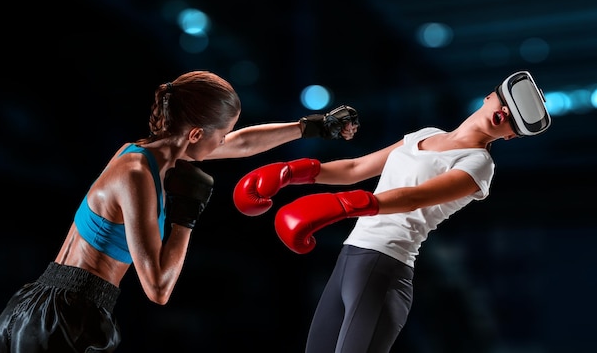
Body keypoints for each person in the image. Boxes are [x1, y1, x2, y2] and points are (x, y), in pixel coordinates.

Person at [0, 70, 360, 353]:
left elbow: (243, 143)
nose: (225, 141)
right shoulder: (136, 176)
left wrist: (309, 127)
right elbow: (158, 288)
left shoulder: (148, 152)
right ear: (196, 134)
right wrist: (186, 217)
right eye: (220, 134)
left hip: (42, 306)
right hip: (66, 316)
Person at [233, 70, 551, 353]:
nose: (505, 113)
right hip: (351, 257)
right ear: (489, 97)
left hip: (386, 264)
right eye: (506, 101)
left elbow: (414, 197)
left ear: (509, 136)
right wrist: (293, 172)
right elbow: (357, 167)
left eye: (514, 120)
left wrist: (345, 204)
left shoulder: (478, 165)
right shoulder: (426, 134)